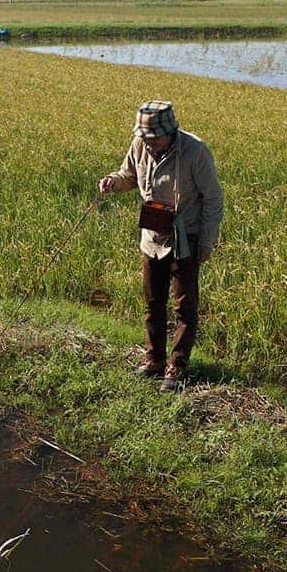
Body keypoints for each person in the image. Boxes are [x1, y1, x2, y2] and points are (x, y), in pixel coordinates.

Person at [99, 100, 224, 392]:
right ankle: (154, 360)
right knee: (153, 302)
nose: (149, 143)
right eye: (145, 137)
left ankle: (176, 367)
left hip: (185, 238)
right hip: (152, 237)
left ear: (170, 132)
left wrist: (206, 241)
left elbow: (214, 198)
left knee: (184, 307)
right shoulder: (140, 145)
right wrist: (112, 182)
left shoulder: (195, 151)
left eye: (154, 138)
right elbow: (128, 176)